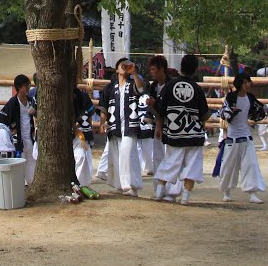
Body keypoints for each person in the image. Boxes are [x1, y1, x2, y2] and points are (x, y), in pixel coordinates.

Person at [153, 53, 209, 205]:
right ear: (195, 70)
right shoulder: (197, 89)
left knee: (170, 161)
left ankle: (159, 192)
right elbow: (205, 113)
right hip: (193, 133)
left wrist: (159, 121)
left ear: (181, 67)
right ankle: (185, 197)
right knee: (192, 165)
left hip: (174, 131)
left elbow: (160, 109)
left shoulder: (169, 86)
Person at [217, 73, 266, 203]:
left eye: (248, 82)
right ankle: (226, 192)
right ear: (239, 84)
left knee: (251, 164)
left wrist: (260, 111)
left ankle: (252, 193)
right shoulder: (231, 97)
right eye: (244, 82)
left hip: (246, 135)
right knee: (229, 166)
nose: (247, 85)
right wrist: (231, 111)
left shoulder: (250, 97)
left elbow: (258, 112)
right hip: (232, 137)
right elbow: (223, 113)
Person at [98, 58, 144, 196]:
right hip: (114, 125)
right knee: (116, 155)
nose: (124, 67)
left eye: (127, 65)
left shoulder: (132, 83)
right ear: (117, 69)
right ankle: (120, 185)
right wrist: (102, 122)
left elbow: (141, 89)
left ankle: (132, 186)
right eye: (122, 65)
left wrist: (134, 73)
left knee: (128, 154)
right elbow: (103, 107)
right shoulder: (110, 88)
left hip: (130, 125)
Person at [0, 74, 37, 185]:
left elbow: (40, 114)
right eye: (26, 86)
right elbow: (2, 117)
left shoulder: (32, 100)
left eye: (28, 85)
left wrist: (35, 112)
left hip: (30, 137)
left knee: (31, 162)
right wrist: (13, 128)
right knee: (19, 163)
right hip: (18, 140)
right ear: (19, 87)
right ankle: (19, 187)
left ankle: (31, 184)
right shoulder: (13, 102)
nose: (28, 88)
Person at [73, 87, 95, 186]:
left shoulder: (84, 96)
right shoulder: (61, 96)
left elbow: (89, 116)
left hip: (83, 132)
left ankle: (80, 184)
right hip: (69, 132)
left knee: (82, 157)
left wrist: (90, 129)